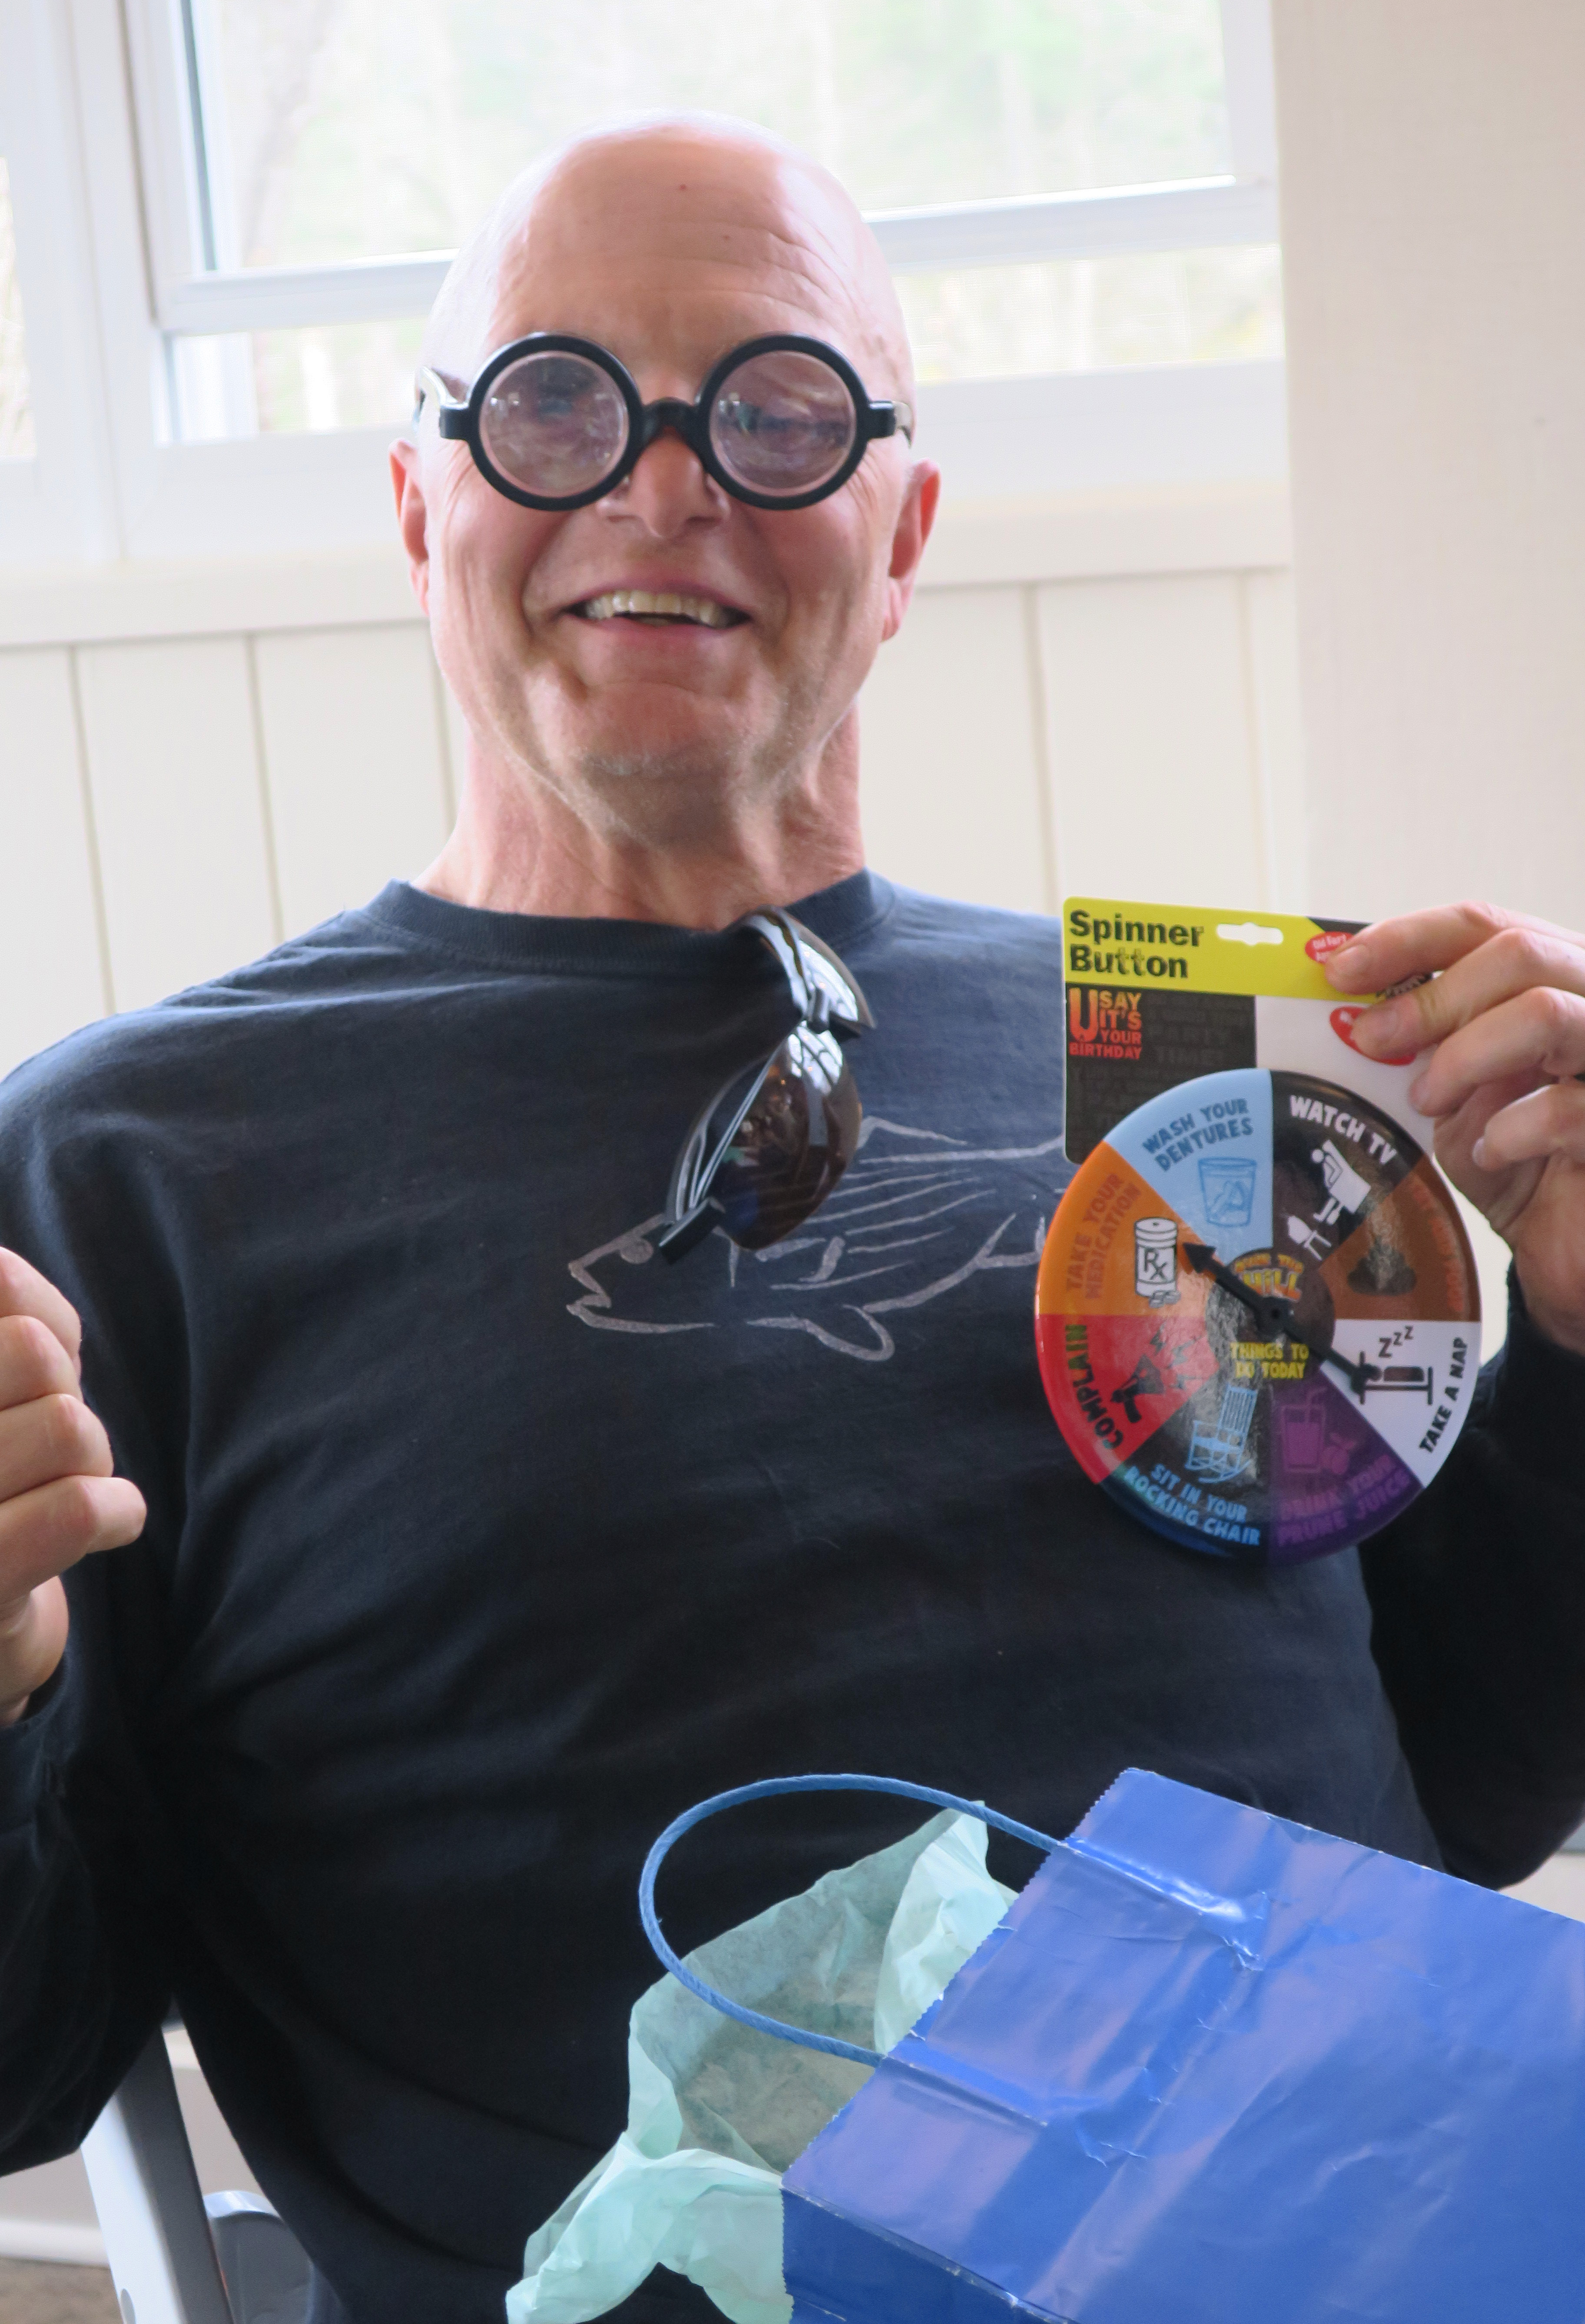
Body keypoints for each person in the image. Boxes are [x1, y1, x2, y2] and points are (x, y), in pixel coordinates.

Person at [1, 117, 1582, 2324]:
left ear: (904, 529)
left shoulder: (1186, 1064)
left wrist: (1580, 1349)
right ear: (419, 502)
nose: (667, 489)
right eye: (554, 401)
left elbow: (1462, 1782)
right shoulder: (127, 1171)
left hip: (1386, 2236)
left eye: (777, 411)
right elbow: (29, 2058)